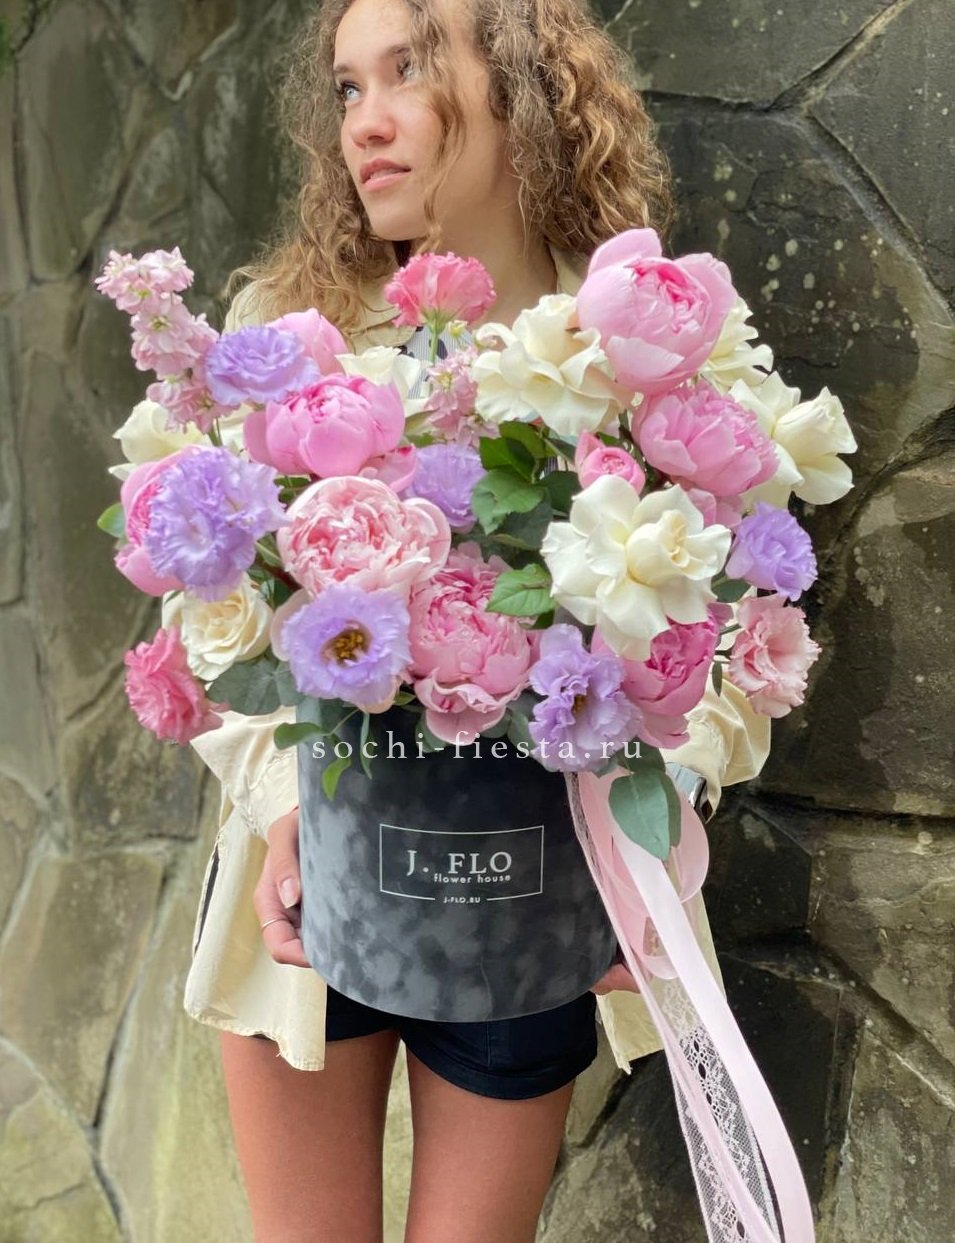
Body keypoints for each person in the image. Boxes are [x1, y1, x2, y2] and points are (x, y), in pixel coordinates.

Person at [182, 1, 772, 1240]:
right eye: (348, 87)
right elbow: (215, 613)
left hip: (533, 905)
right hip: (309, 889)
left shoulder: (647, 349)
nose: (366, 122)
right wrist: (280, 804)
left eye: (408, 69)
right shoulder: (285, 335)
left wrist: (650, 851)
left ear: (522, 87)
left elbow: (731, 638)